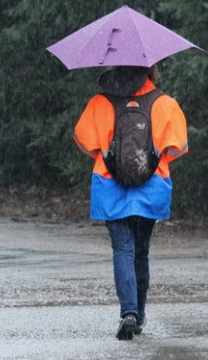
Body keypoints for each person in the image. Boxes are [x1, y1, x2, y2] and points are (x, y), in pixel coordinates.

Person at [74, 65, 188, 340]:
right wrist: (148, 160)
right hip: (152, 186)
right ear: (151, 69)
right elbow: (179, 147)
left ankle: (129, 313)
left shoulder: (99, 102)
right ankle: (140, 316)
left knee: (122, 248)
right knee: (141, 250)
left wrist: (113, 158)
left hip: (109, 184)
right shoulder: (165, 103)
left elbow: (84, 141)